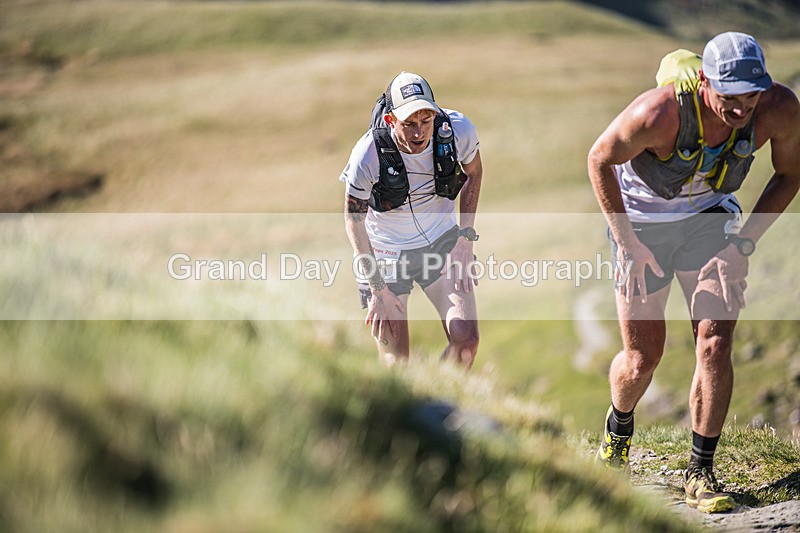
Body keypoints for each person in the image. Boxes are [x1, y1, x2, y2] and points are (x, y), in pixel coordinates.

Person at [588, 32, 800, 513]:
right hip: (642, 225)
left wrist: (742, 244)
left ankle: (700, 472)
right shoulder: (659, 113)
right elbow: (599, 158)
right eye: (729, 96)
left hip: (710, 221)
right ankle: (618, 427)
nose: (742, 108)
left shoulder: (779, 108)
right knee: (642, 359)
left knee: (715, 340)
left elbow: (791, 172)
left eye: (752, 94)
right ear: (705, 82)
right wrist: (627, 244)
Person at [341, 72, 483, 368]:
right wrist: (377, 288)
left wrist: (464, 236)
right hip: (385, 252)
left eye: (426, 121)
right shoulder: (367, 154)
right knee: (396, 365)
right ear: (392, 121)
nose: (419, 132)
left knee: (466, 342)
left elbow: (475, 172)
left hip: (441, 240)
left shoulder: (458, 131)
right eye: (409, 124)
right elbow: (354, 220)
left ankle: (440, 402)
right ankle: (412, 404)